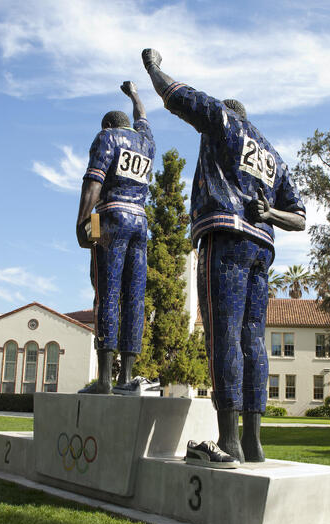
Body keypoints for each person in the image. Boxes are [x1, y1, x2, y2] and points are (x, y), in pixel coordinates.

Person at [142, 49, 306, 463]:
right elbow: (300, 217)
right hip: (262, 246)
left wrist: (152, 67)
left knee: (223, 334)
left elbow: (177, 95)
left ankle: (228, 439)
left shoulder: (224, 123)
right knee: (254, 337)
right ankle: (253, 440)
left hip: (226, 235)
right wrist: (268, 213)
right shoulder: (272, 156)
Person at [76, 81, 155, 395]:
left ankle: (106, 379)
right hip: (140, 221)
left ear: (107, 125)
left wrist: (83, 221)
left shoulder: (106, 137)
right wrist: (135, 94)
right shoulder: (146, 143)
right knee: (134, 296)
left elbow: (94, 182)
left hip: (108, 216)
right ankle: (127, 378)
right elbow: (143, 117)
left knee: (106, 291)